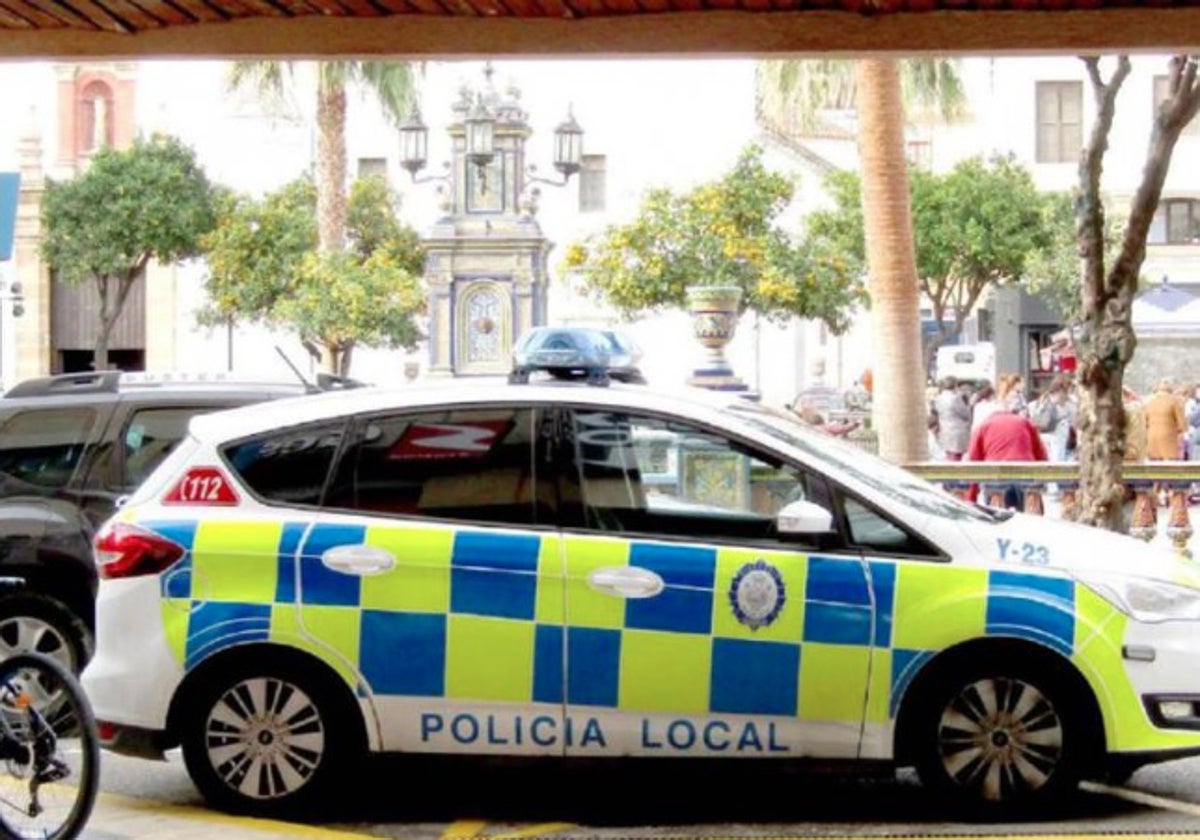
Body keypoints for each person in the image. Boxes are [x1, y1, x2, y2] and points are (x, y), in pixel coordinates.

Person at [966, 405, 1050, 509]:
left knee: (997, 517)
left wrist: (970, 500)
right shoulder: (1024, 422)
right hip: (1026, 473)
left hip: (996, 477)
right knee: (1032, 518)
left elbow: (973, 466)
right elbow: (1041, 454)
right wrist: (1043, 480)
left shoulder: (983, 426)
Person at [932, 376, 972, 461]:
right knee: (956, 455)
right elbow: (965, 414)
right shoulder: (955, 398)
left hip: (944, 429)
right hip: (957, 430)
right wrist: (967, 405)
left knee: (947, 454)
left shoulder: (938, 398)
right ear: (955, 385)